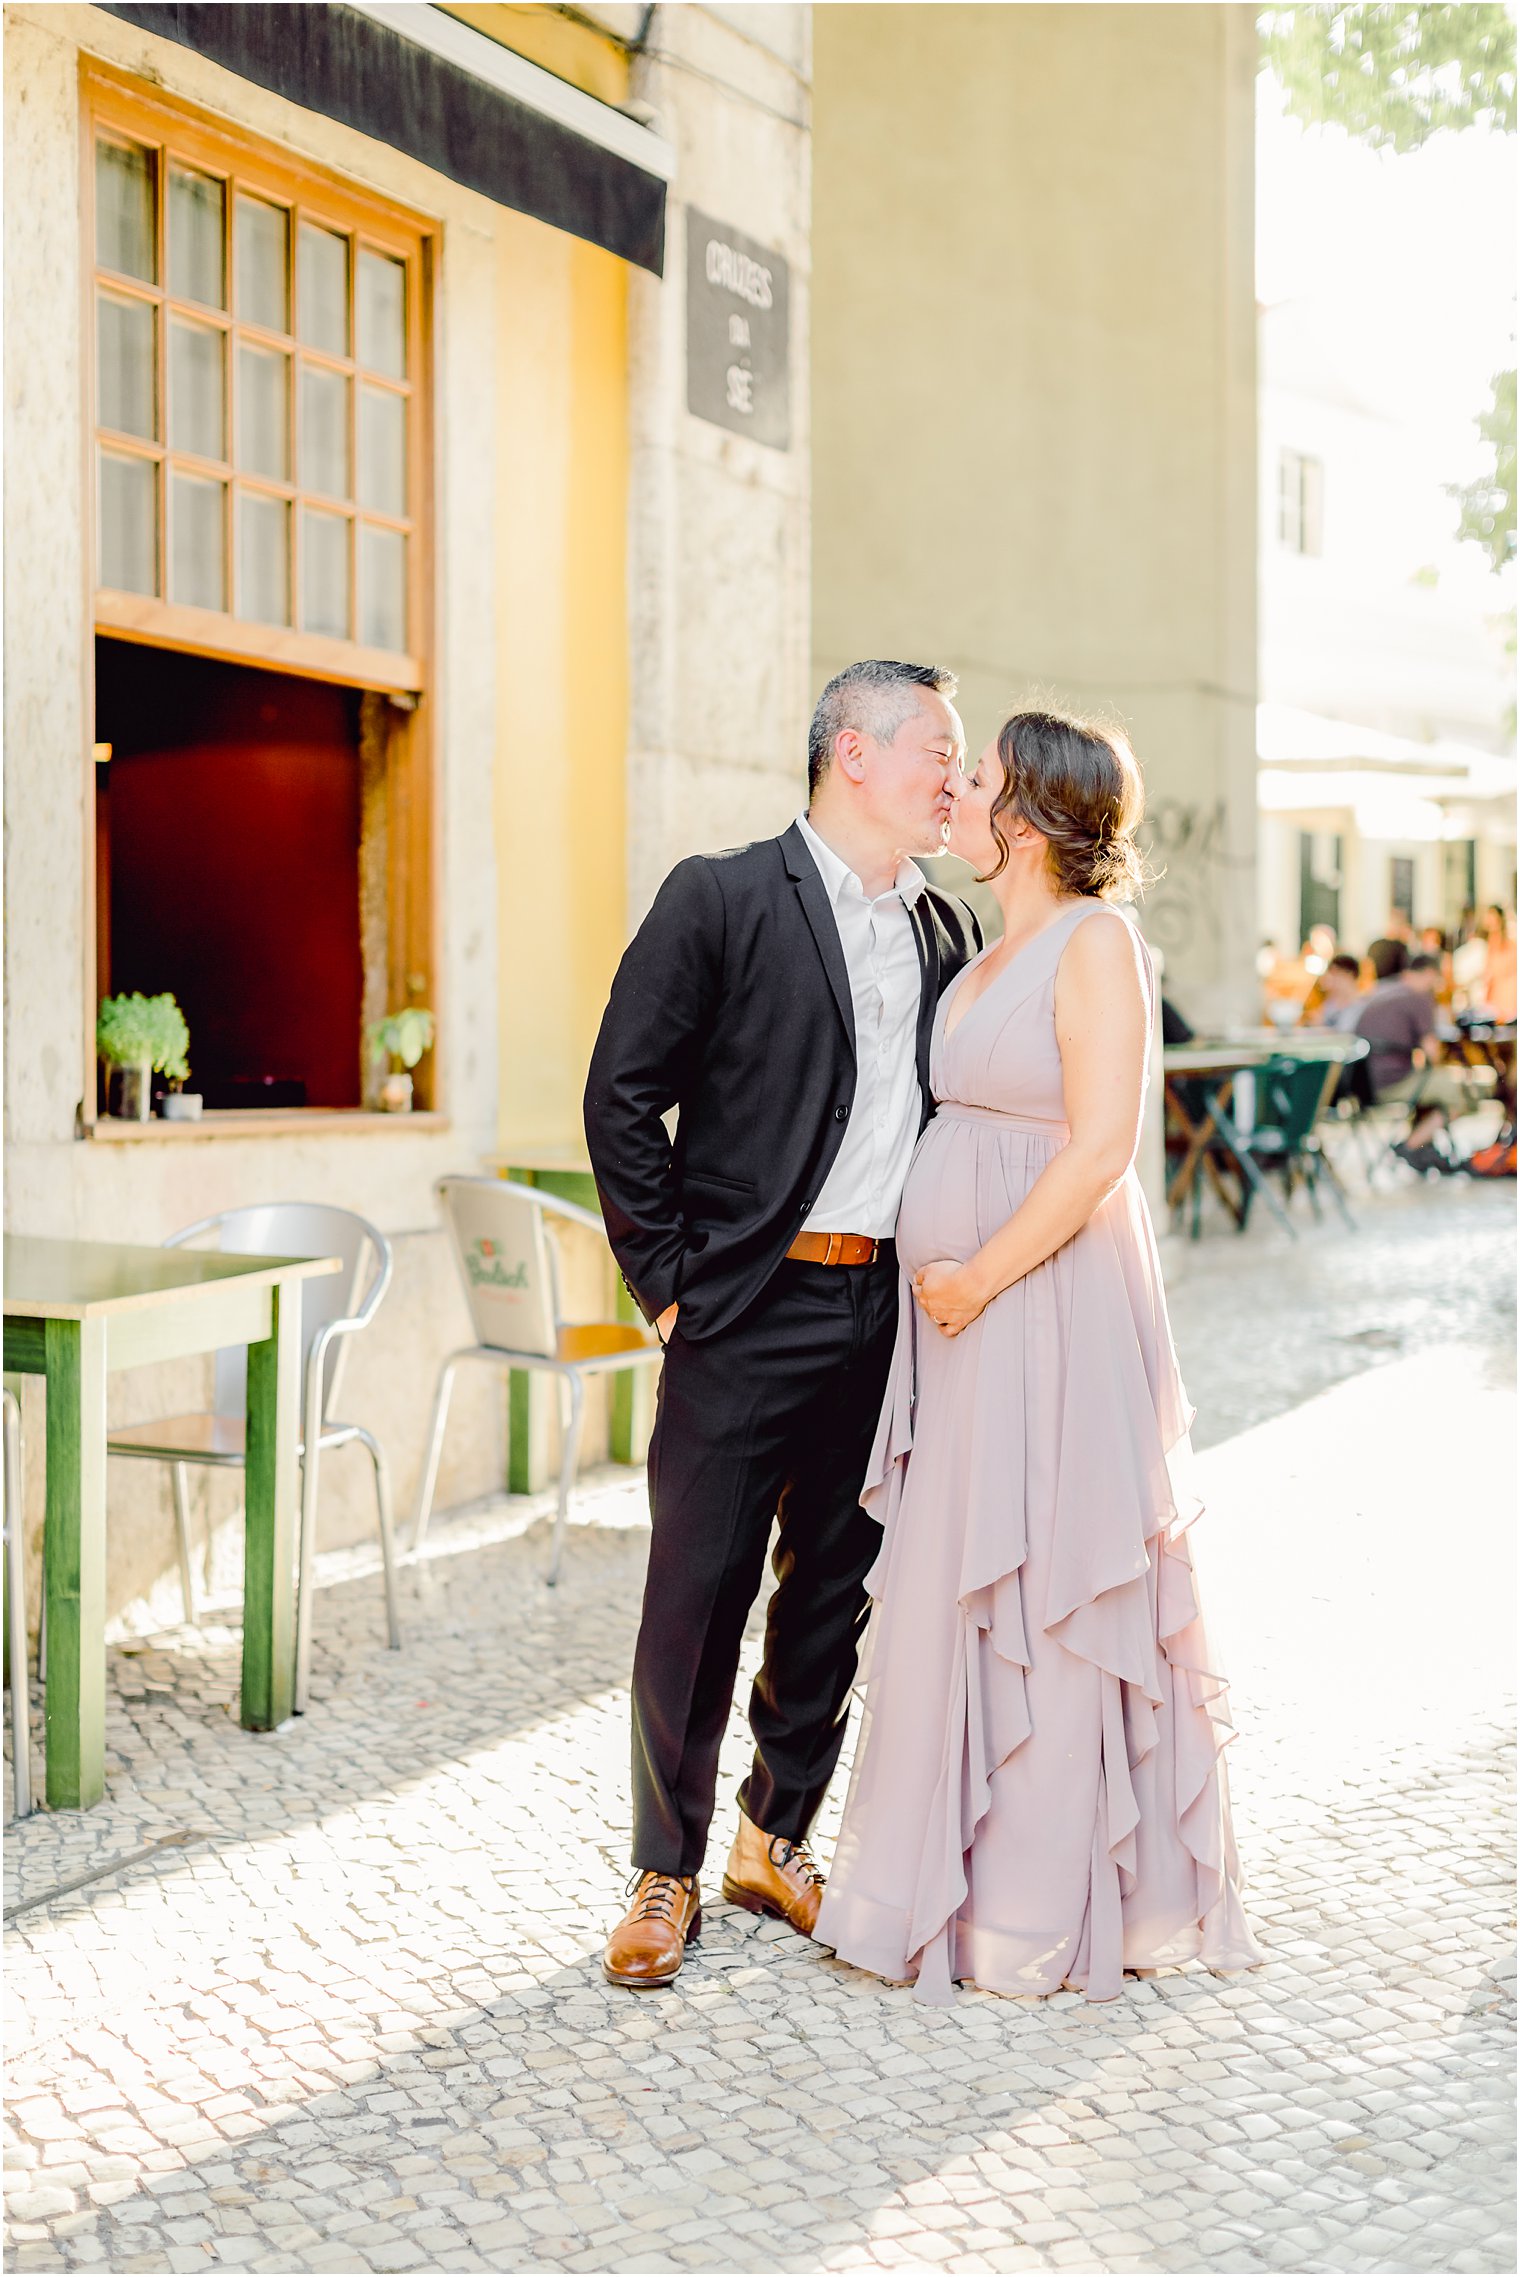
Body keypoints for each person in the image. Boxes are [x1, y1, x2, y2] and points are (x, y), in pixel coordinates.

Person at [815, 711, 1261, 2004]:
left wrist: (975, 1275)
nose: (957, 790)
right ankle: (931, 1885)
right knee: (958, 1577)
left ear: (1031, 816)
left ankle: (1030, 1902)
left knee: (1046, 1573)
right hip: (954, 1320)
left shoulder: (1096, 942)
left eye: (982, 777)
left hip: (1041, 1297)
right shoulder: (984, 947)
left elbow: (1097, 1149)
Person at [583, 659, 982, 1990]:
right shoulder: (723, 896)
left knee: (834, 1590)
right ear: (852, 752)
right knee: (693, 1588)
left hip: (881, 1310)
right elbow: (621, 1094)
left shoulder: (945, 934)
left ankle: (773, 1836)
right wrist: (671, 1281)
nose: (953, 771)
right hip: (743, 1305)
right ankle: (664, 1868)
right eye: (939, 744)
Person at [1353, 952, 1482, 1168]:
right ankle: (1412, 1145)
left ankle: (1425, 1148)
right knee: (1463, 1091)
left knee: (1432, 1086)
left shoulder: (1382, 989)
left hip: (1362, 1085)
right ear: (1431, 974)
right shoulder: (1418, 997)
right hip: (1392, 1084)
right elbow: (1432, 1052)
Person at [1305, 951, 1364, 1032]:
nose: (1333, 980)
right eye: (1332, 974)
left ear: (1350, 975)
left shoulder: (1361, 1006)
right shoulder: (1330, 1003)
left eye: (1337, 974)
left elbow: (1346, 1032)